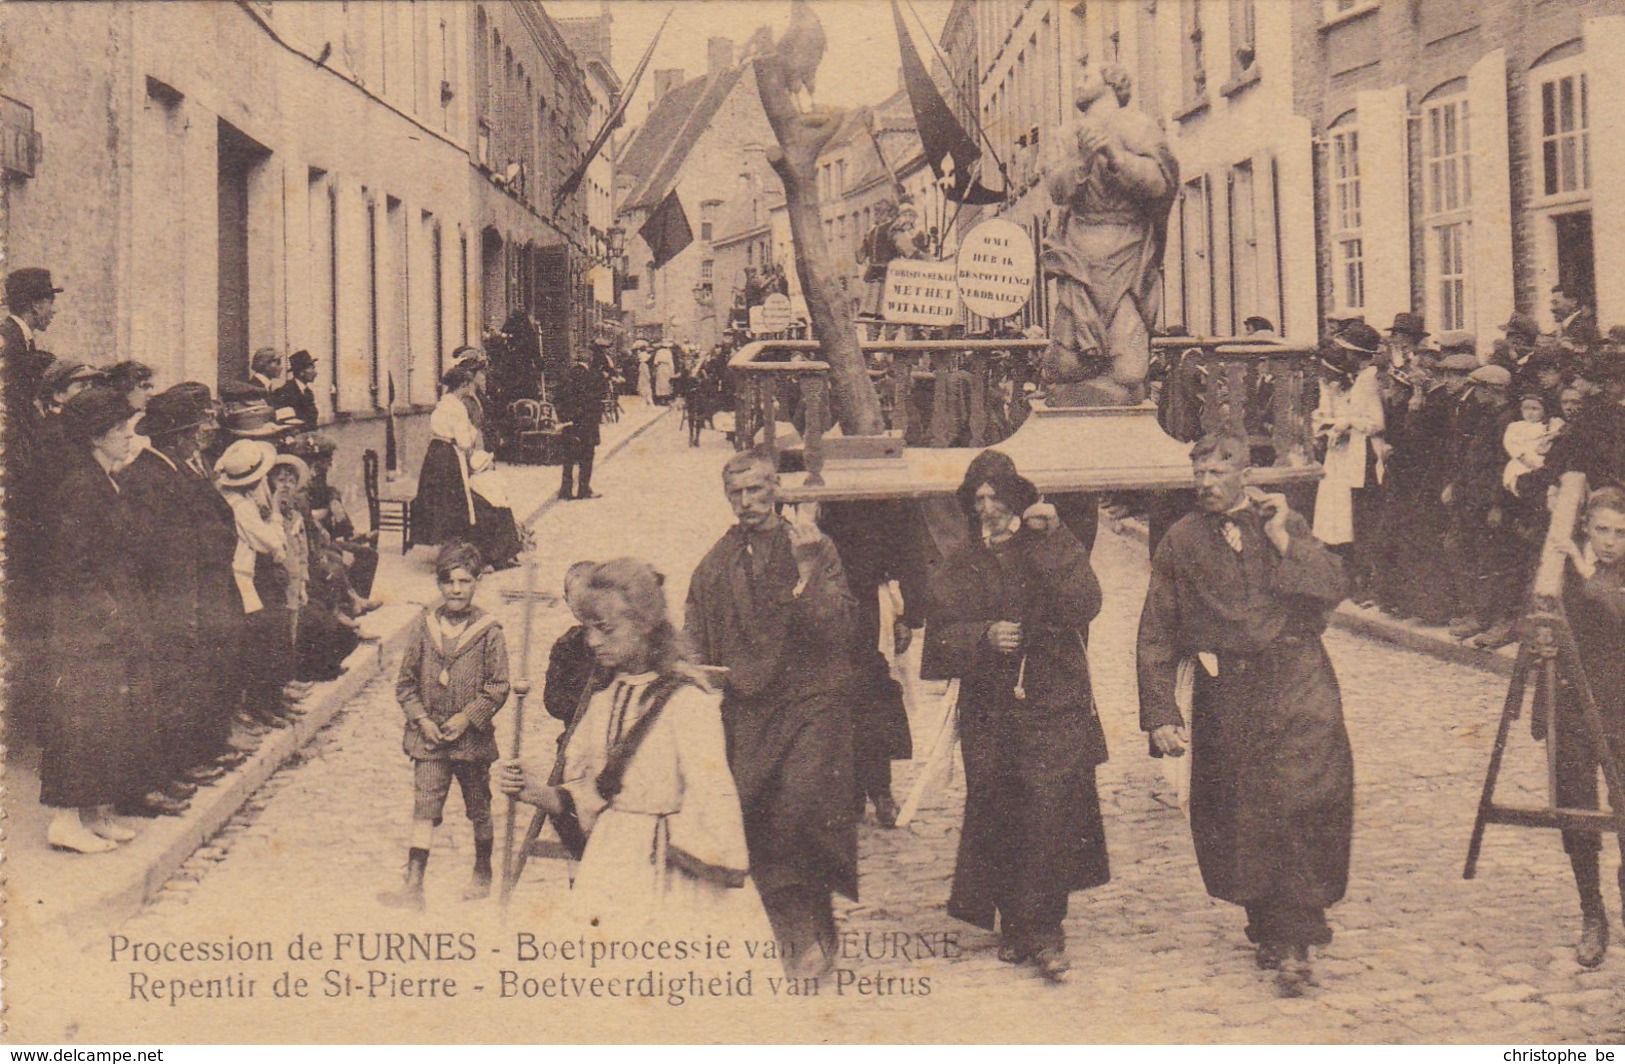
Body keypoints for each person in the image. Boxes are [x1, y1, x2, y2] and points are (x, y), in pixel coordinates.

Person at [1137, 434, 1353, 997]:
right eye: (1199, 472)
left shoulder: (1279, 522)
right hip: (1229, 690)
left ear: (1246, 472)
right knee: (1243, 810)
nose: (1207, 482)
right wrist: (1160, 711)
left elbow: (1333, 586)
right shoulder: (1179, 542)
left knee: (1307, 796)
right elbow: (1157, 629)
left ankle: (1299, 933)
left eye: (1219, 470)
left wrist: (1285, 538)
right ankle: (1269, 923)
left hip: (1299, 677)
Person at [501, 559, 771, 938]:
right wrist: (539, 793)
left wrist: (681, 859)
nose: (592, 641)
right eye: (588, 628)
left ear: (644, 624)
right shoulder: (604, 699)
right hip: (609, 860)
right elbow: (593, 795)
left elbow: (712, 796)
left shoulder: (688, 702)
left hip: (671, 865)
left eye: (605, 628)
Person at [923, 459, 1110, 982]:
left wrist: (1054, 542)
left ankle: (1048, 928)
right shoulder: (962, 561)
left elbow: (1087, 603)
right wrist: (982, 635)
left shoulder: (1050, 542)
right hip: (990, 708)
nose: (986, 510)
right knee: (1000, 806)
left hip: (1053, 694)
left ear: (1017, 499)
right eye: (977, 501)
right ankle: (1014, 923)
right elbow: (937, 639)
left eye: (995, 499)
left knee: (1051, 808)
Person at [685, 452, 858, 978]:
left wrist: (806, 575)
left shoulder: (813, 547)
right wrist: (697, 671)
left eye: (757, 491)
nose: (747, 503)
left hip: (811, 703)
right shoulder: (716, 564)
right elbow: (694, 637)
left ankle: (813, 924)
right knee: (757, 821)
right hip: (750, 710)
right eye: (736, 494)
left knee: (801, 812)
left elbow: (842, 628)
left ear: (776, 489)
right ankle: (800, 935)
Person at [39, 386, 157, 851]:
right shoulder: (80, 487)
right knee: (81, 719)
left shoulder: (105, 479)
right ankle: (66, 821)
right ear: (96, 436)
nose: (130, 438)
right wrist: (109, 612)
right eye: (120, 430)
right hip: (86, 623)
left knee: (109, 717)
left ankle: (96, 813)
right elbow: (71, 568)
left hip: (111, 617)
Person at [1040, 57, 1178, 405]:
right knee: (1065, 365)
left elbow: (1160, 184)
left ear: (1111, 80)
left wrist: (1115, 155)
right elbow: (1057, 191)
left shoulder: (1140, 127)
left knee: (1130, 370)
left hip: (1127, 246)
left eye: (1086, 74)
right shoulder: (1065, 134)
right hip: (1079, 248)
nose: (1077, 82)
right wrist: (1084, 160)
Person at [381, 542, 510, 909]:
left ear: (477, 583)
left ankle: (483, 868)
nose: (456, 589)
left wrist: (467, 717)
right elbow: (405, 683)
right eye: (449, 582)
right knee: (424, 805)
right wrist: (421, 719)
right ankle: (413, 884)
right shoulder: (424, 628)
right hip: (430, 739)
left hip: (471, 742)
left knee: (478, 806)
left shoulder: (489, 632)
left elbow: (498, 686)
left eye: (464, 581)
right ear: (439, 585)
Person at [1547, 487, 1625, 967]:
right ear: (1585, 528)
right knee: (1577, 813)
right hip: (1574, 706)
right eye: (1602, 530)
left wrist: (1587, 570)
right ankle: (1592, 913)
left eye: (1621, 533)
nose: (1612, 541)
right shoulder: (1561, 569)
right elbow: (1530, 615)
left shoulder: (1594, 572)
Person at [819, 500, 928, 829]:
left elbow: (911, 548)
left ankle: (880, 789)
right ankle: (847, 792)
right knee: (834, 692)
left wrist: (910, 615)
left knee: (876, 693)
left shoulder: (886, 486)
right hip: (827, 594)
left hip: (872, 598)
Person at [215, 439, 297, 732]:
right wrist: (275, 513)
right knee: (261, 638)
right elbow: (271, 541)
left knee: (268, 633)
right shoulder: (241, 507)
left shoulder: (242, 501)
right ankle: (259, 703)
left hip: (245, 575)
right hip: (239, 577)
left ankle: (270, 699)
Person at [412, 364, 522, 571]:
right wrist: (472, 434)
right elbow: (464, 442)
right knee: (461, 505)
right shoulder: (457, 408)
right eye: (469, 385)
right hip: (450, 458)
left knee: (444, 504)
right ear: (462, 385)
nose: (471, 388)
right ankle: (468, 556)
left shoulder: (442, 405)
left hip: (435, 456)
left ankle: (452, 550)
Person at [1312, 322, 1386, 605]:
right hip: (1341, 457)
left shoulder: (1369, 380)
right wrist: (1329, 425)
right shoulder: (1347, 378)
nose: (1345, 357)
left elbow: (1377, 423)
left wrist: (1347, 423)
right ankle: (1346, 580)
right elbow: (1329, 413)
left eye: (1349, 352)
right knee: (1340, 519)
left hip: (1363, 456)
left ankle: (1363, 584)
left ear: (1358, 354)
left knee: (1361, 519)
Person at [544, 560, 609, 725]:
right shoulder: (566, 645)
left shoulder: (615, 639)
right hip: (575, 730)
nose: (583, 606)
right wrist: (584, 704)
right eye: (577, 598)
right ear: (566, 600)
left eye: (589, 598)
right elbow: (553, 701)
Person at [557, 345, 606, 501]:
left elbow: (558, 398)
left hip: (570, 423)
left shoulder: (567, 375)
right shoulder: (592, 376)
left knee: (568, 458)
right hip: (587, 423)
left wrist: (564, 417)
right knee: (587, 457)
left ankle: (566, 490)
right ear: (589, 360)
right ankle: (583, 490)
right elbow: (597, 399)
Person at [1503, 393, 1564, 495]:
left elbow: (1561, 432)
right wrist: (1531, 464)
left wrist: (1551, 436)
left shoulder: (1553, 423)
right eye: (1525, 409)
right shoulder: (1516, 427)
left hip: (1545, 462)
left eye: (1535, 409)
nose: (1530, 413)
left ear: (1545, 409)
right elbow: (1512, 447)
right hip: (1524, 462)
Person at [273, 350, 321, 430]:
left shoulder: (308, 392)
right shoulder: (285, 391)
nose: (315, 373)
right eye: (312, 369)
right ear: (301, 372)